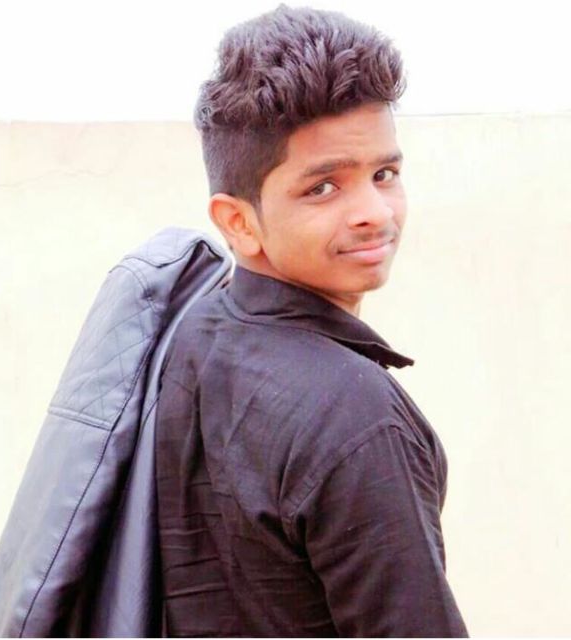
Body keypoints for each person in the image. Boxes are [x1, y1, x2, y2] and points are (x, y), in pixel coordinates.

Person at [154, 4, 468, 637]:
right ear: (238, 221)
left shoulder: (192, 329)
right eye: (323, 187)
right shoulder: (358, 418)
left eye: (385, 174)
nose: (375, 212)